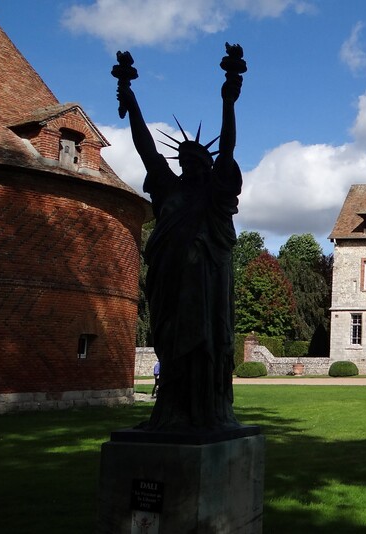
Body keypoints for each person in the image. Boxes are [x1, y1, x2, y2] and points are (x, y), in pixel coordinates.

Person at [116, 44, 246, 431]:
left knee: (204, 342)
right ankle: (171, 411)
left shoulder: (215, 197)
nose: (189, 163)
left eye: (196, 159)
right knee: (169, 342)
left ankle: (208, 410)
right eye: (184, 160)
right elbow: (146, 149)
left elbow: (228, 147)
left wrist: (229, 99)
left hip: (205, 283)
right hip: (170, 280)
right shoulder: (169, 191)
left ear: (207, 165)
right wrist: (132, 101)